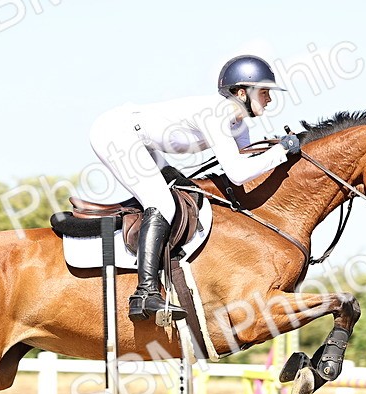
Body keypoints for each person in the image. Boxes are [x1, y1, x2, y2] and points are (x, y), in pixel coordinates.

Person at [89, 54, 301, 322]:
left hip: (142, 142)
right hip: (115, 133)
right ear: (241, 93)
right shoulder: (217, 114)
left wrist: (279, 150)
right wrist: (281, 151)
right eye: (264, 92)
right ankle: (144, 293)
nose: (269, 99)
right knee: (162, 203)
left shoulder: (238, 125)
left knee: (178, 195)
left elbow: (249, 165)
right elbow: (237, 174)